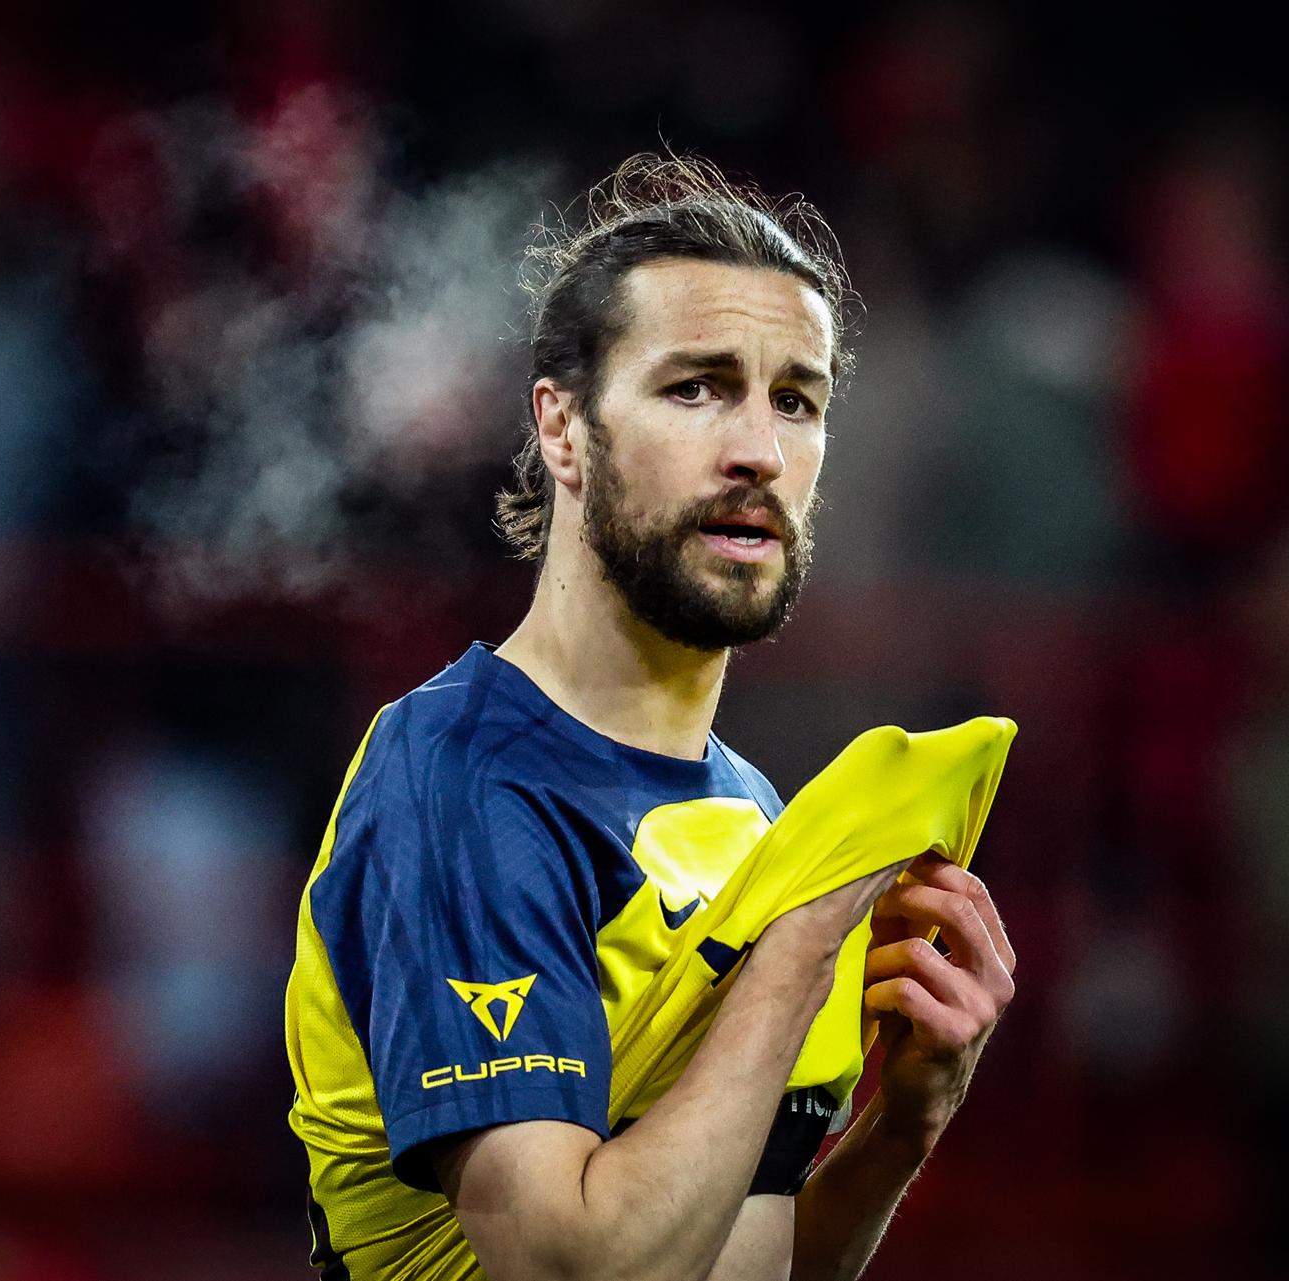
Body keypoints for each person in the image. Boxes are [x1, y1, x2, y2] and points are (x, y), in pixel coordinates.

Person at [284, 154, 1017, 1281]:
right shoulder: (459, 777)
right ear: (564, 430)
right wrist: (794, 959)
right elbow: (568, 1266)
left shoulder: (748, 811)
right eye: (696, 388)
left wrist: (897, 1132)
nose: (759, 453)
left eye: (796, 401)